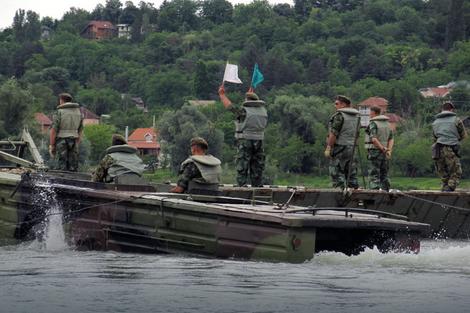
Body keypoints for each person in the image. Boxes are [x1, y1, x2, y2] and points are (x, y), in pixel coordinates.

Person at [218, 85, 267, 187]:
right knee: (257, 166)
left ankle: (242, 186)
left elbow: (230, 107)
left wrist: (222, 95)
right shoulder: (263, 111)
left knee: (242, 165)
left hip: (246, 141)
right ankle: (257, 186)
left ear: (247, 100)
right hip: (259, 142)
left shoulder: (244, 111)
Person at [324, 95, 360, 189]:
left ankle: (339, 195)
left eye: (337, 104)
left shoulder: (339, 116)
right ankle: (354, 195)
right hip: (352, 147)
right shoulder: (356, 116)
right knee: (351, 173)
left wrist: (329, 147)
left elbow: (334, 134)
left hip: (340, 147)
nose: (335, 106)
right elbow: (357, 134)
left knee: (336, 171)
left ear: (343, 104)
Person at [432, 101, 467, 191]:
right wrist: (455, 140)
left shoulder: (435, 122)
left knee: (443, 171)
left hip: (437, 150)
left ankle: (444, 187)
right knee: (456, 171)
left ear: (442, 109)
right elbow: (463, 135)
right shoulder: (456, 120)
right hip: (451, 148)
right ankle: (449, 188)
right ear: (451, 109)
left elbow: (434, 137)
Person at [49, 93, 83, 172]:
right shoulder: (78, 112)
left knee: (61, 166)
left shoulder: (59, 112)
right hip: (74, 141)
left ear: (62, 100)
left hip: (61, 141)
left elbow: (54, 130)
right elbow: (80, 130)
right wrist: (77, 143)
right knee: (73, 167)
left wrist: (52, 145)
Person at [364, 106, 394, 191]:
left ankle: (374, 191)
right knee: (384, 173)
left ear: (374, 113)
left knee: (374, 173)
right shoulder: (388, 124)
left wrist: (382, 148)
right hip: (385, 152)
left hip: (375, 151)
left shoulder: (373, 123)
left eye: (370, 113)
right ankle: (386, 190)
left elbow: (374, 139)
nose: (369, 114)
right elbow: (391, 139)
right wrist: (389, 150)